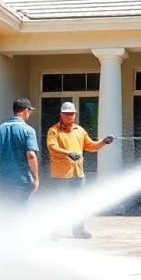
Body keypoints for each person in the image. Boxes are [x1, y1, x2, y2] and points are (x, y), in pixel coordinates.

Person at [45, 101, 114, 238]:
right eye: (66, 114)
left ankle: (79, 231)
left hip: (78, 174)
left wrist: (103, 142)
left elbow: (91, 146)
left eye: (72, 114)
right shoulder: (54, 131)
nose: (69, 116)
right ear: (61, 115)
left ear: (75, 115)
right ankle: (52, 231)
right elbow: (52, 147)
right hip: (61, 175)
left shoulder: (80, 130)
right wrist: (68, 153)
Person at [0, 98, 40, 205]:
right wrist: (36, 178)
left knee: (6, 212)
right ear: (25, 110)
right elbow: (31, 155)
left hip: (3, 181)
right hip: (22, 181)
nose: (29, 113)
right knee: (22, 214)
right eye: (29, 111)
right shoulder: (28, 130)